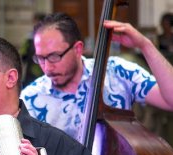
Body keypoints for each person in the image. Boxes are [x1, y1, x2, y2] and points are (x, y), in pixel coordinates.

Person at [20, 12, 173, 141]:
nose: (47, 67)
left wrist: (145, 45)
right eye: (40, 58)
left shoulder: (118, 72)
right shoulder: (30, 98)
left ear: (78, 49)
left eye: (54, 56)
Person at [20, 12, 45, 87]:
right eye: (35, 22)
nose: (35, 25)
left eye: (38, 22)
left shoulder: (49, 38)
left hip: (44, 73)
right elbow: (22, 55)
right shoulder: (29, 38)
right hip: (30, 74)